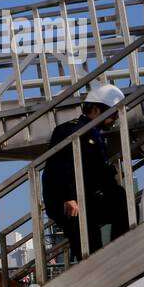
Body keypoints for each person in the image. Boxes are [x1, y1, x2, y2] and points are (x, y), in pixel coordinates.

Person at [42, 84, 130, 260]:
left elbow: (101, 173)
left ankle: (120, 251)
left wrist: (113, 191)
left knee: (121, 201)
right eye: (112, 114)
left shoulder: (94, 135)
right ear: (97, 109)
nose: (115, 119)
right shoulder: (72, 130)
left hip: (87, 200)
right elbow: (61, 164)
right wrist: (68, 198)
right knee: (88, 246)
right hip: (68, 202)